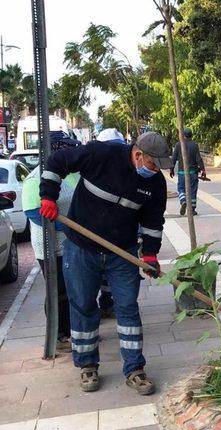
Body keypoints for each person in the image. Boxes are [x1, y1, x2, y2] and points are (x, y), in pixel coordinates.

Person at [39, 131, 170, 395]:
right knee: (84, 306)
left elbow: (153, 222)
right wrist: (48, 196)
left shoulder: (155, 183)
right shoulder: (101, 155)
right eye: (153, 165)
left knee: (127, 306)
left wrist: (150, 255)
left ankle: (134, 369)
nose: (156, 171)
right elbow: (57, 163)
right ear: (137, 154)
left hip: (121, 252)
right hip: (81, 248)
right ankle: (87, 366)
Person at [22, 131, 81, 352]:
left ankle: (76, 330)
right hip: (50, 246)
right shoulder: (35, 178)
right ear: (54, 149)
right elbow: (33, 213)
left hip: (74, 243)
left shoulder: (72, 174)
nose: (71, 151)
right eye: (66, 147)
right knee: (58, 290)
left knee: (75, 287)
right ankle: (58, 334)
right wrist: (66, 226)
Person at [95, 127, 127, 318]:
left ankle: (110, 302)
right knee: (99, 273)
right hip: (96, 235)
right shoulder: (92, 170)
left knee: (116, 274)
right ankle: (104, 303)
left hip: (120, 235)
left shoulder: (127, 170)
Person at [171, 128, 205, 216]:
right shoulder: (195, 145)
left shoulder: (178, 145)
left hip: (182, 172)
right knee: (193, 190)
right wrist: (203, 170)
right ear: (191, 135)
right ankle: (192, 209)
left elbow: (174, 158)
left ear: (183, 135)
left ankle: (183, 201)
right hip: (193, 172)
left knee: (181, 188)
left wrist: (171, 169)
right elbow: (198, 158)